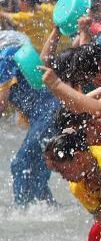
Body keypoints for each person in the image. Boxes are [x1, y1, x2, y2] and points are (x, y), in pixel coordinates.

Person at [0, 44, 62, 205]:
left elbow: (1, 102)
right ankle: (48, 209)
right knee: (37, 169)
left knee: (21, 163)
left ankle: (23, 212)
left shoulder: (4, 59)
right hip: (50, 114)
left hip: (47, 116)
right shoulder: (10, 53)